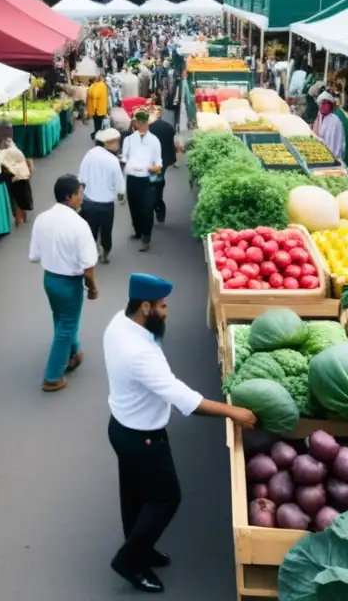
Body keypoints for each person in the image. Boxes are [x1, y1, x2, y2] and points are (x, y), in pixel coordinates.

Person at [104, 273, 257, 593]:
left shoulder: (119, 323)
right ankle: (129, 560)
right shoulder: (140, 353)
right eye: (162, 306)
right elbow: (181, 397)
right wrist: (232, 412)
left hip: (120, 427)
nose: (167, 311)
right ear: (145, 307)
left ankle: (139, 547)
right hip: (144, 437)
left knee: (133, 494)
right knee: (165, 498)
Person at [29, 175, 99, 392]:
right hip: (70, 284)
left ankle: (74, 353)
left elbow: (34, 256)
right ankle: (52, 377)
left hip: (49, 280)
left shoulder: (42, 219)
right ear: (69, 197)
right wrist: (93, 288)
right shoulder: (79, 225)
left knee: (61, 319)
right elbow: (88, 267)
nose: (82, 197)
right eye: (79, 193)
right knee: (66, 327)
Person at [79, 128, 126, 263]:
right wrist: (121, 195)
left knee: (90, 231)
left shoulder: (89, 154)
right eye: (115, 142)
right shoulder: (112, 160)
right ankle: (105, 252)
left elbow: (81, 178)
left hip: (89, 202)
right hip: (106, 203)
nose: (117, 145)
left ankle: (90, 253)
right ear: (107, 143)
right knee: (106, 231)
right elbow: (119, 184)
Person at [121, 109, 162, 253]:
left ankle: (146, 237)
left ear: (148, 123)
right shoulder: (129, 139)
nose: (142, 125)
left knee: (146, 209)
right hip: (132, 178)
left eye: (145, 122)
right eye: (140, 122)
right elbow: (124, 156)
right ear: (135, 123)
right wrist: (125, 163)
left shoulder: (154, 141)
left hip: (147, 179)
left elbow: (158, 161)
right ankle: (137, 230)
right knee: (134, 207)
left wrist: (155, 168)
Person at [0, 136, 33, 227]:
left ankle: (18, 219)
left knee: (15, 198)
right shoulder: (13, 148)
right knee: (21, 196)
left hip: (16, 177)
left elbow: (0, 164)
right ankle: (22, 215)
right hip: (22, 174)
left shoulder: (3, 153)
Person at [148, 112, 178, 224]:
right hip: (165, 159)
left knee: (152, 181)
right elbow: (175, 143)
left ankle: (155, 204)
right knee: (159, 179)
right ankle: (159, 204)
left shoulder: (148, 129)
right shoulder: (168, 126)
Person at [312, 91, 346, 161]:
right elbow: (315, 134)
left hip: (332, 156)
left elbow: (334, 145)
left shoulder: (335, 121)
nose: (322, 105)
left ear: (330, 106)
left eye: (325, 103)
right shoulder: (320, 116)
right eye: (321, 103)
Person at [88, 73, 109, 138]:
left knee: (97, 123)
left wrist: (95, 107)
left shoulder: (98, 85)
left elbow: (94, 96)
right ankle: (97, 134)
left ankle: (97, 135)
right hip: (99, 109)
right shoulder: (99, 85)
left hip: (97, 108)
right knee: (98, 123)